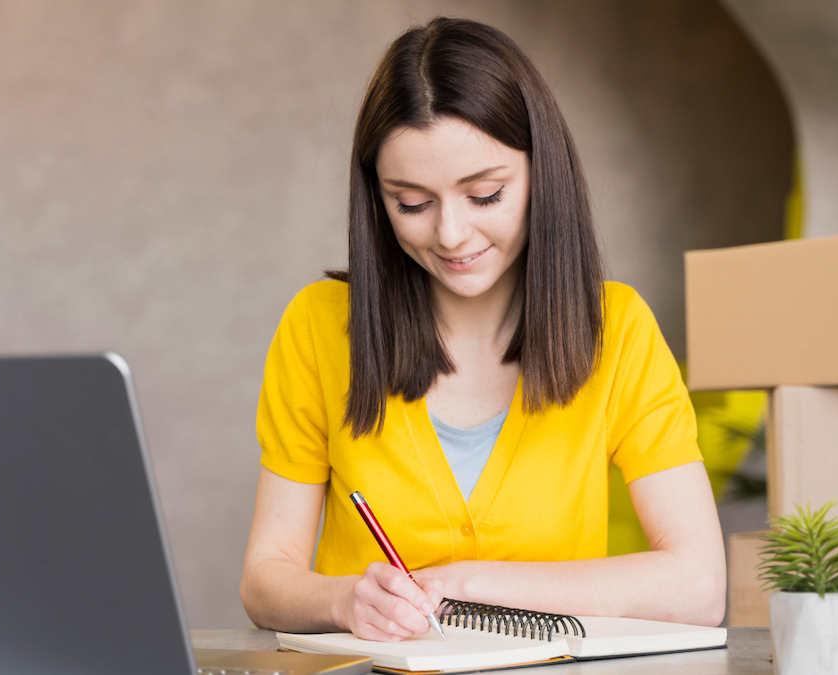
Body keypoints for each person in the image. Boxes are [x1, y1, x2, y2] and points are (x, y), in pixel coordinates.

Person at [240, 16, 725, 642]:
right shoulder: (319, 326)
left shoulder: (618, 330)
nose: (450, 234)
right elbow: (264, 578)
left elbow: (698, 585)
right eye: (411, 203)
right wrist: (343, 601)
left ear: (539, 174)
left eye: (486, 194)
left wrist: (465, 584)